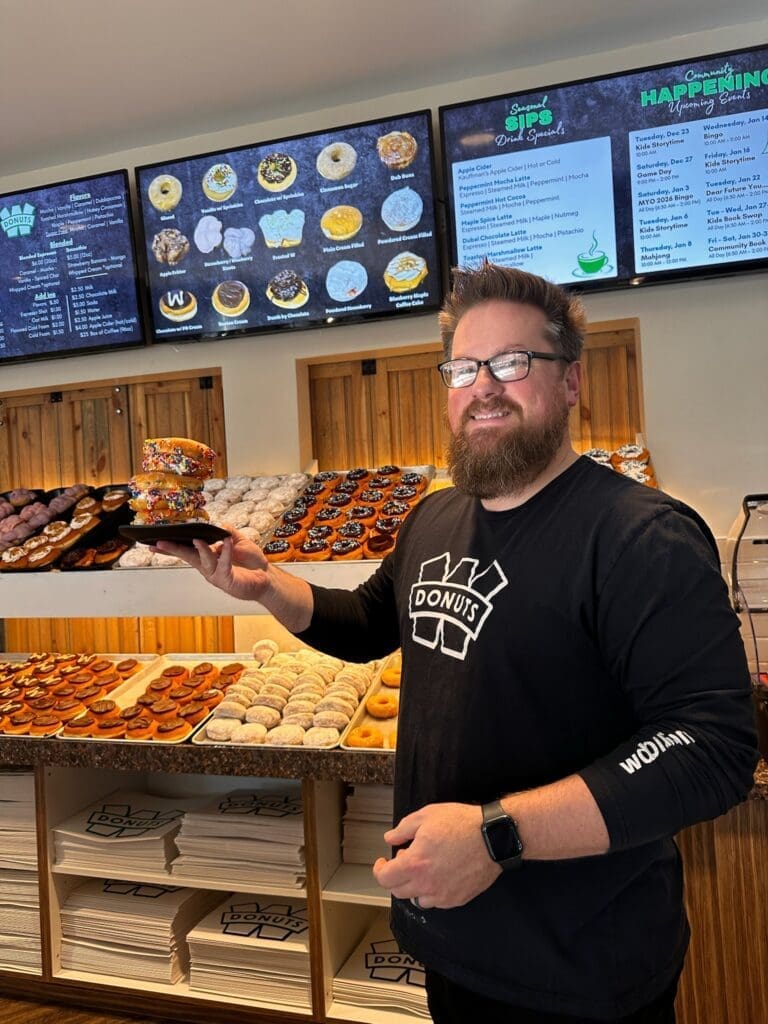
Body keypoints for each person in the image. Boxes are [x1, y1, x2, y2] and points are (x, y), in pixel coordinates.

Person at [157, 262, 758, 1024]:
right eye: (465, 367)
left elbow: (711, 748)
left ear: (571, 382)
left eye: (513, 362)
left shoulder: (641, 536)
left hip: (582, 964)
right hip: (450, 933)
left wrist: (497, 835)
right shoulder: (435, 518)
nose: (484, 386)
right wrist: (266, 584)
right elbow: (371, 621)